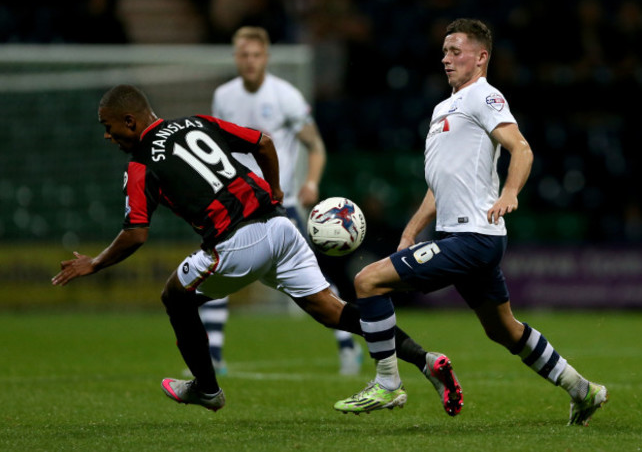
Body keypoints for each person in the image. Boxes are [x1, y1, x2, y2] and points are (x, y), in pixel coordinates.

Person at [51, 84, 462, 415]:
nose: (108, 136)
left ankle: (207, 389)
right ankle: (425, 360)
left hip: (236, 242)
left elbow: (136, 232)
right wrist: (277, 192)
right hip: (280, 227)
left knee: (174, 296)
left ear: (129, 120)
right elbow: (264, 143)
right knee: (330, 309)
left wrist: (96, 263)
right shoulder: (197, 121)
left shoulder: (141, 164)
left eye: (109, 127)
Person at [334, 18, 608, 426]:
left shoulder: (485, 96)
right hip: (462, 235)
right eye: (444, 51)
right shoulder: (443, 107)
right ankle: (582, 390)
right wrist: (410, 230)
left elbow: (522, 149)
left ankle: (387, 381)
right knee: (503, 330)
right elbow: (439, 182)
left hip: (473, 236)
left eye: (456, 51)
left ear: (481, 58)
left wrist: (510, 192)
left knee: (367, 281)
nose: (446, 59)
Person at [200, 25, 362, 377]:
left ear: (266, 57)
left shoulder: (284, 96)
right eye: (243, 55)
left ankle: (349, 345)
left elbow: (315, 144)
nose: (249, 61)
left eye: (256, 55)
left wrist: (311, 182)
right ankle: (212, 356)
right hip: (235, 205)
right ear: (236, 57)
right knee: (216, 271)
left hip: (279, 206)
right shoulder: (223, 96)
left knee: (312, 281)